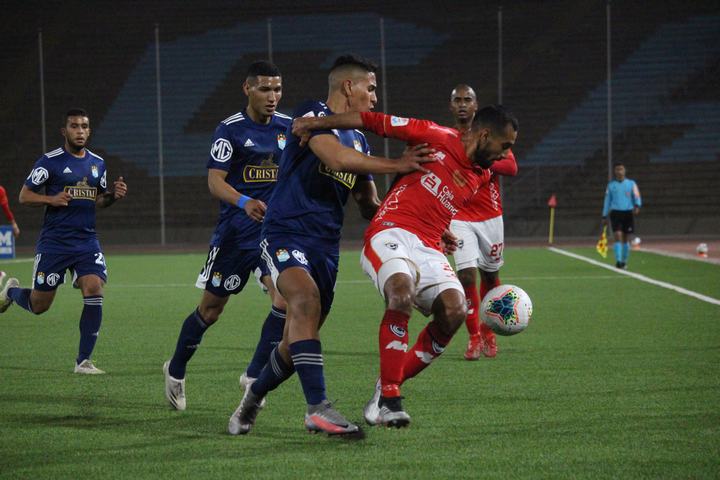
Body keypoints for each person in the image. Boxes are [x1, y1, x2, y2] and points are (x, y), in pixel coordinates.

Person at [227, 54, 432, 437]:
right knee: (303, 301)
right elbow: (336, 158)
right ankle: (317, 408)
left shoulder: (360, 140)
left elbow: (370, 205)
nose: (374, 97)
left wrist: (422, 226)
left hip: (325, 248)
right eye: (371, 88)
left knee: (294, 344)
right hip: (285, 232)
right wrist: (398, 164)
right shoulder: (311, 115)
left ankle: (253, 396)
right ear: (349, 87)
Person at [292, 104, 518, 427]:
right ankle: (391, 398)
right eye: (504, 146)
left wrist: (442, 228)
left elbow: (433, 196)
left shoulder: (481, 176)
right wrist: (315, 124)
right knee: (401, 292)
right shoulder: (435, 135)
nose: (505, 155)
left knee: (454, 310)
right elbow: (371, 120)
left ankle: (386, 384)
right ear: (484, 135)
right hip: (390, 231)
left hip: (428, 245)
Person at [163, 61, 295, 411]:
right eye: (265, 89)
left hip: (273, 235)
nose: (272, 96)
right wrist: (244, 201)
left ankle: (253, 375)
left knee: (284, 302)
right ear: (247, 89)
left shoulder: (288, 127)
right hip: (235, 236)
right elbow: (215, 182)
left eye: (277, 89)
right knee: (210, 311)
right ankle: (175, 369)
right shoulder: (230, 130)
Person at [0, 109, 127, 374]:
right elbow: (24, 196)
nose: (80, 131)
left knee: (94, 288)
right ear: (64, 131)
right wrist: (51, 199)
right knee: (39, 305)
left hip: (86, 241)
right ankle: (11, 292)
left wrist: (113, 196)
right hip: (54, 243)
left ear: (89, 131)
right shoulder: (50, 162)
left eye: (84, 126)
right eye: (74, 126)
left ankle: (83, 361)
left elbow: (98, 199)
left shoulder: (98, 163)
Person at [448, 85, 518, 360]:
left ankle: (489, 331)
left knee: (490, 275)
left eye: (467, 100)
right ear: (451, 106)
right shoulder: (448, 137)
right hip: (459, 216)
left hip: (490, 217)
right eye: (457, 100)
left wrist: (480, 159)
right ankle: (474, 337)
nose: (462, 104)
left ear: (476, 106)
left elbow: (511, 167)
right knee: (466, 275)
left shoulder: (491, 134)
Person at [602, 163, 642, 269]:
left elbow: (636, 195)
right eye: (617, 169)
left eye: (621, 169)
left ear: (625, 171)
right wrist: (604, 215)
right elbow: (607, 201)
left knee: (625, 238)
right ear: (615, 171)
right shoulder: (611, 185)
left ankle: (624, 261)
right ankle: (618, 261)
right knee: (618, 235)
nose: (619, 171)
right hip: (616, 213)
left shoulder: (631, 183)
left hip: (628, 213)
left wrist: (637, 205)